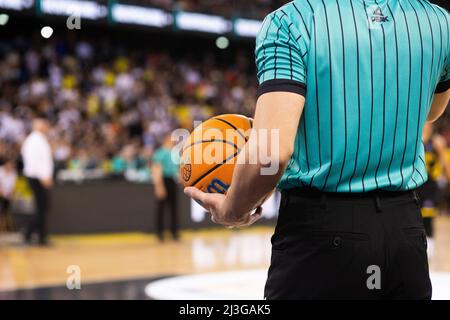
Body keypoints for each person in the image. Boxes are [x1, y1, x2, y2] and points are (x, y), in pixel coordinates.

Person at [185, 0, 450, 299]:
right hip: (405, 234)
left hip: (321, 232)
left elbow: (270, 152)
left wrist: (233, 208)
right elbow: (432, 110)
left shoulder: (291, 21)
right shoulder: (439, 22)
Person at [417, 122, 450, 257]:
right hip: (416, 186)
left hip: (430, 187)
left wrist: (441, 152)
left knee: (428, 219)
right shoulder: (416, 143)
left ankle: (428, 252)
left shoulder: (438, 143)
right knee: (416, 220)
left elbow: (446, 170)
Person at [21, 118, 54, 245]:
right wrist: (43, 177)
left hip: (39, 177)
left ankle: (38, 236)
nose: (46, 126)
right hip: (37, 178)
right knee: (41, 207)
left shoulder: (39, 139)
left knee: (42, 207)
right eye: (44, 124)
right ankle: (33, 235)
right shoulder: (34, 140)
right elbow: (34, 161)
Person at [151, 134, 180, 241]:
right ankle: (160, 233)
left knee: (174, 208)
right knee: (161, 208)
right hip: (164, 180)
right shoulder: (160, 153)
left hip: (172, 181)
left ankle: (174, 232)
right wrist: (159, 186)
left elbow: (177, 169)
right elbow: (156, 169)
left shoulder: (174, 153)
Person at [0, 160, 17, 232]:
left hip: (7, 196)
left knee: (6, 211)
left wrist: (11, 193)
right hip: (1, 194)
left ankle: (7, 228)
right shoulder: (0, 171)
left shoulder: (14, 173)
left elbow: (13, 186)